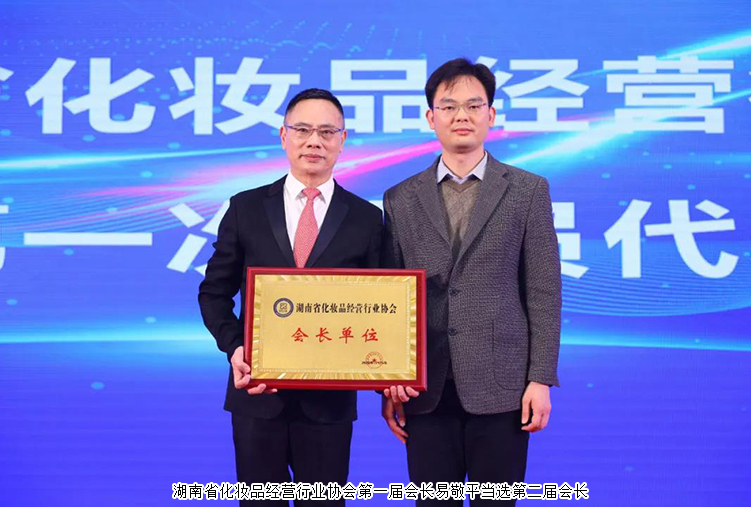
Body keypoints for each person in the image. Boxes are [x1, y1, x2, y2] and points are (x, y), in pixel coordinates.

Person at [381, 58, 561, 505]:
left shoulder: (528, 190)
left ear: (490, 115)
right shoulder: (400, 198)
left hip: (503, 385)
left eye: (473, 105)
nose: (461, 115)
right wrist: (391, 380)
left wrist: (540, 378)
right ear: (431, 117)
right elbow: (390, 297)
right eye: (449, 106)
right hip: (425, 387)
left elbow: (543, 291)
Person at [199, 88, 382, 506]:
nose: (314, 141)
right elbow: (214, 293)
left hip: (330, 401)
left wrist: (385, 370)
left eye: (326, 132)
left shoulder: (367, 218)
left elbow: (381, 305)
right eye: (302, 130)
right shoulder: (245, 208)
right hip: (256, 393)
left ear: (342, 140)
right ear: (284, 136)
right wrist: (236, 347)